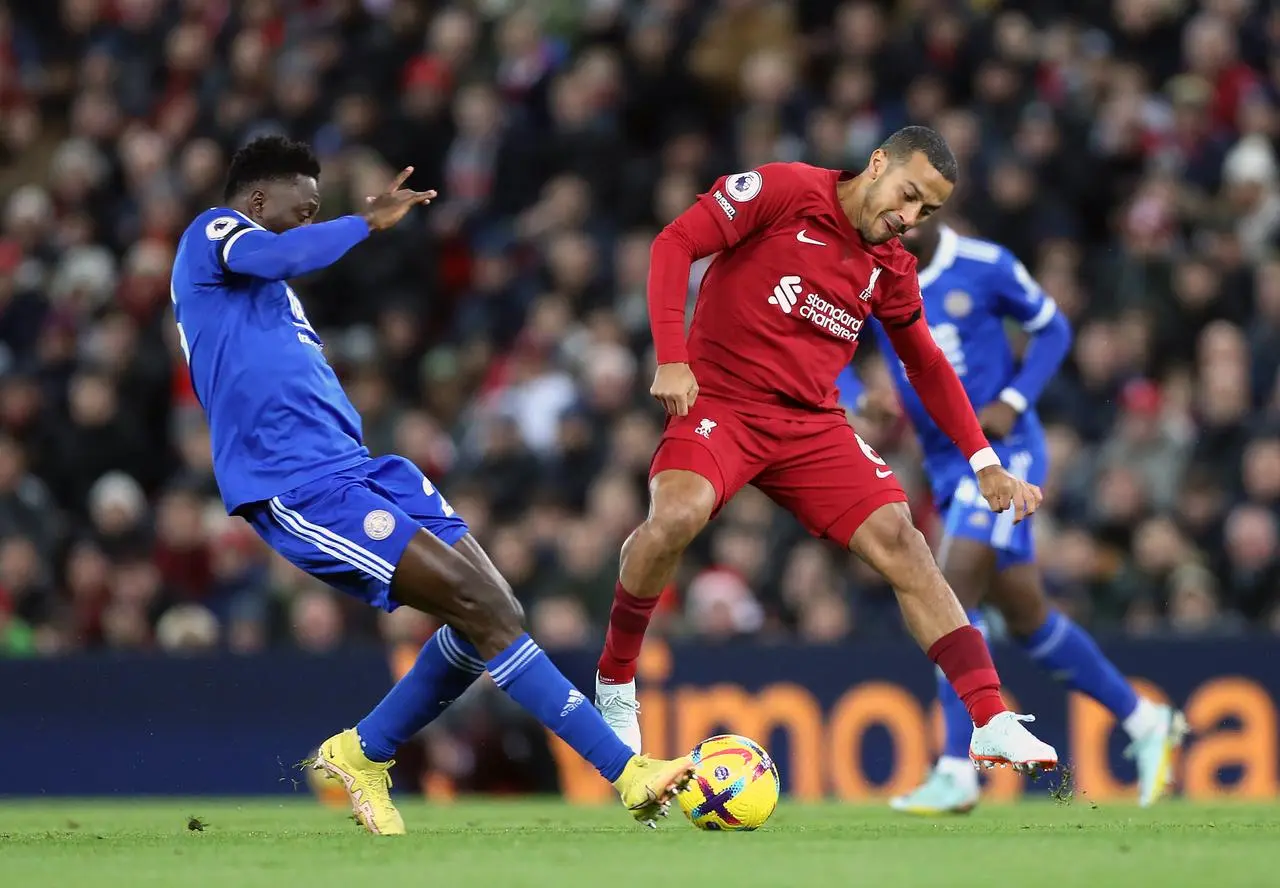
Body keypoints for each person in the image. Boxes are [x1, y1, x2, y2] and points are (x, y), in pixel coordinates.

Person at [169, 135, 693, 836]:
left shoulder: (268, 294)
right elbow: (286, 251)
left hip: (364, 468)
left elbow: (286, 270)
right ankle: (628, 775)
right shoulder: (214, 234)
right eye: (303, 209)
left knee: (494, 611)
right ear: (258, 200)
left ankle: (361, 752)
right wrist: (363, 223)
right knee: (483, 607)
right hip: (298, 486)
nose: (307, 222)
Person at [594, 126, 1057, 772]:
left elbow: (924, 363)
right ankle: (616, 680)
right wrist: (671, 358)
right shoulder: (784, 191)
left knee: (902, 541)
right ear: (876, 165)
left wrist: (984, 462)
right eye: (908, 195)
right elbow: (676, 243)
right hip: (722, 403)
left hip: (809, 426)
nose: (910, 218)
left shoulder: (890, 267)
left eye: (927, 210)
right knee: (674, 517)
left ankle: (990, 718)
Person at [836, 215, 1188, 812]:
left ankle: (957, 768)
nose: (901, 217)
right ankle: (1144, 718)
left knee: (950, 582)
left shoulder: (985, 264)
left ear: (936, 210)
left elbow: (1052, 330)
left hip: (1005, 451)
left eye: (917, 205)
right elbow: (824, 347)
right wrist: (854, 396)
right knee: (1026, 617)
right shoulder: (867, 270)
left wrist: (1012, 399)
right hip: (945, 463)